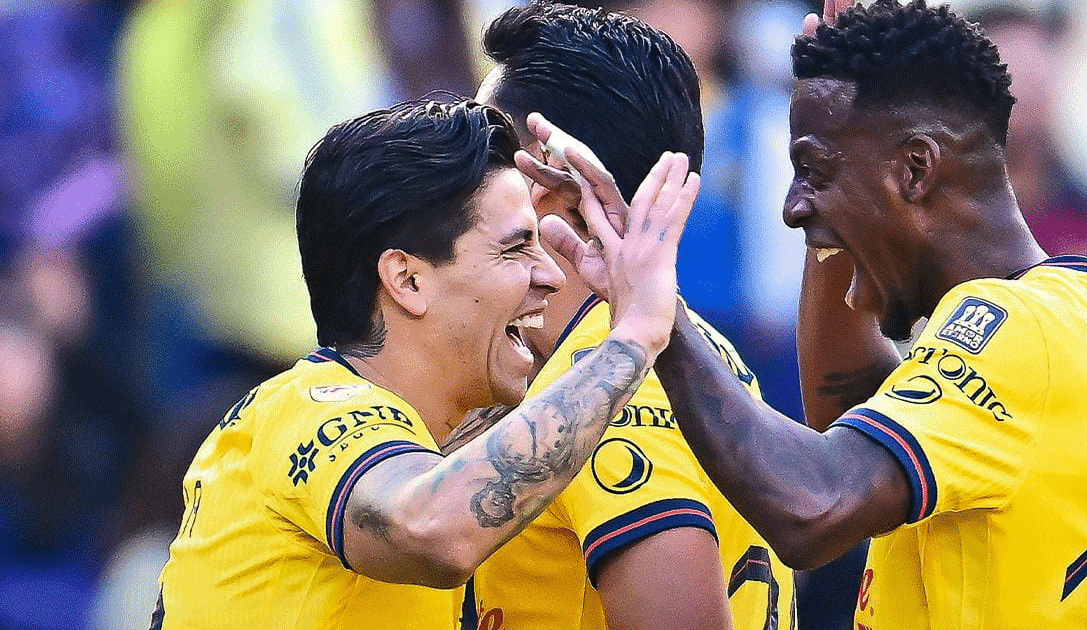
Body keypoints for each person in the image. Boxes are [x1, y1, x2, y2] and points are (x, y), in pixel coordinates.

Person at [557, 0, 1087, 628]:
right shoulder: (1083, 313)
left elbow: (811, 508)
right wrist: (832, 216)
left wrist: (658, 317)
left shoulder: (1016, 329)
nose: (792, 208)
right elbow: (842, 409)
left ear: (916, 167)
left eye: (814, 171)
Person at [151, 97, 700, 629]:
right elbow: (433, 527)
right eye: (515, 250)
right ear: (407, 280)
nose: (553, 275)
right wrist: (631, 339)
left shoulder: (436, 448)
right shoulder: (307, 405)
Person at [467, 3, 795, 630]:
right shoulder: (665, 352)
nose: (455, 180)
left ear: (548, 191)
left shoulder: (607, 382)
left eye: (481, 159)